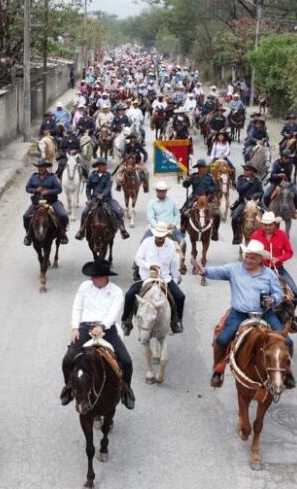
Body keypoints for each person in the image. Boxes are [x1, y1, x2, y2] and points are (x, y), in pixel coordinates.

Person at [194, 240, 294, 388]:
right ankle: (218, 368)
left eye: (252, 258)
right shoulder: (234, 269)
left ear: (260, 259)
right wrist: (204, 271)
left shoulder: (269, 274)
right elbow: (218, 271)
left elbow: (279, 294)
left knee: (288, 342)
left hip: (265, 313)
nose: (248, 260)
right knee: (222, 339)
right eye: (246, 256)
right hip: (240, 313)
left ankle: (287, 372)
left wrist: (272, 299)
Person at [60, 260, 135, 409]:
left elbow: (114, 312)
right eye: (91, 277)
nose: (92, 279)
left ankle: (126, 390)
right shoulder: (84, 287)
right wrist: (75, 327)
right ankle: (69, 388)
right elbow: (77, 306)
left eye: (95, 277)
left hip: (107, 329)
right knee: (67, 360)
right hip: (85, 328)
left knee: (126, 361)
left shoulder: (116, 291)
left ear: (105, 277)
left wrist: (102, 326)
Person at [122, 223, 186, 334]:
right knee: (129, 295)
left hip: (164, 278)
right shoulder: (147, 243)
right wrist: (149, 266)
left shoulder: (171, 245)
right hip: (146, 276)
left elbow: (174, 265)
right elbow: (138, 258)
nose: (159, 239)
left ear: (166, 236)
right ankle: (126, 321)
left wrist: (174, 281)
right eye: (158, 237)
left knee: (180, 297)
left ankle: (176, 321)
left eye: (162, 237)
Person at [250, 212, 297, 301]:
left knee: (296, 293)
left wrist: (278, 259)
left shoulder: (282, 235)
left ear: (274, 224)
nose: (268, 227)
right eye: (265, 225)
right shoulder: (255, 236)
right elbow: (250, 253)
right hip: (260, 269)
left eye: (270, 225)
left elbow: (289, 252)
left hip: (278, 269)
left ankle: (289, 312)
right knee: (249, 292)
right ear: (262, 225)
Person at [75, 158, 131, 240]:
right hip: (94, 199)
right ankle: (81, 230)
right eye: (103, 165)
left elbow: (108, 188)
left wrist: (102, 195)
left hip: (107, 199)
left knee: (118, 211)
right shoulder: (92, 175)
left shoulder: (109, 176)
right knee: (84, 212)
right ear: (99, 167)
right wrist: (89, 198)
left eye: (105, 165)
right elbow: (88, 188)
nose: (105, 167)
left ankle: (122, 230)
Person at [23, 159, 70, 245]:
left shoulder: (52, 177)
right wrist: (36, 189)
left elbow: (59, 189)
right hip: (37, 203)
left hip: (51, 202)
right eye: (39, 167)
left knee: (63, 215)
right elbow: (27, 188)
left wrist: (47, 192)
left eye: (43, 167)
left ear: (46, 168)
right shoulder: (33, 177)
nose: (41, 169)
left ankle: (63, 233)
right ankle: (28, 235)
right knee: (26, 216)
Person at [182, 159, 220, 241]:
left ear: (205, 168)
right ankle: (183, 228)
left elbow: (216, 187)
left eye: (202, 167)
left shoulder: (210, 177)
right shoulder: (193, 176)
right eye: (199, 167)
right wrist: (186, 180)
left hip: (208, 198)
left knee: (217, 214)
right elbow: (185, 185)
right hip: (195, 197)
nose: (201, 169)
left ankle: (215, 232)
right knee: (183, 210)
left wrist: (209, 189)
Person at [230, 163, 264, 245]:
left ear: (252, 172)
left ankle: (267, 236)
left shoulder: (257, 180)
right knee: (235, 218)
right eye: (244, 169)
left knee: (268, 214)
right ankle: (236, 236)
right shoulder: (241, 179)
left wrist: (254, 196)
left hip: (255, 202)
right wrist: (248, 184)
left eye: (247, 169)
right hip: (243, 202)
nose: (245, 171)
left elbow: (261, 192)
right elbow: (239, 189)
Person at [262, 151, 297, 215]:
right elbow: (273, 175)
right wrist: (278, 175)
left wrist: (283, 175)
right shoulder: (276, 163)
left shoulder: (290, 164)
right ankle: (267, 210)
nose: (289, 159)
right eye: (287, 158)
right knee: (266, 195)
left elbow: (288, 173)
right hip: (276, 182)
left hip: (287, 182)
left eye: (289, 158)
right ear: (282, 157)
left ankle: (294, 210)